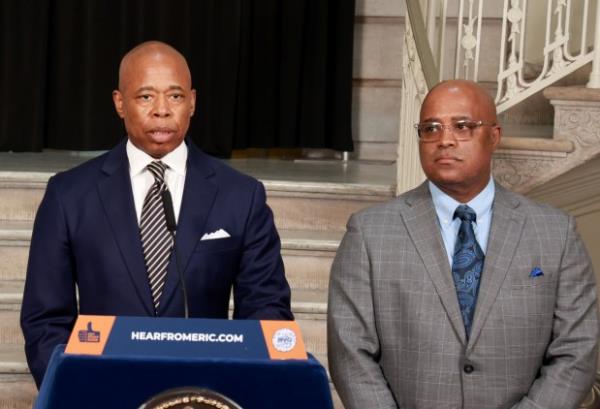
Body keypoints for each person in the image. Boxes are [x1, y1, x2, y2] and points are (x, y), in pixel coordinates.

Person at [20, 41, 293, 388]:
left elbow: (267, 310)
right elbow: (45, 320)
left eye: (175, 97)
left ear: (192, 102)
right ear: (120, 103)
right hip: (102, 394)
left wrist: (232, 388)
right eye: (146, 97)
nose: (162, 110)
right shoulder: (69, 195)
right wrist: (78, 389)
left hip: (204, 395)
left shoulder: (241, 195)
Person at [328, 79, 599, 408]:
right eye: (430, 128)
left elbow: (577, 350)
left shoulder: (556, 232)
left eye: (462, 126)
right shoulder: (369, 233)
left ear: (494, 137)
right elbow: (350, 356)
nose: (444, 140)